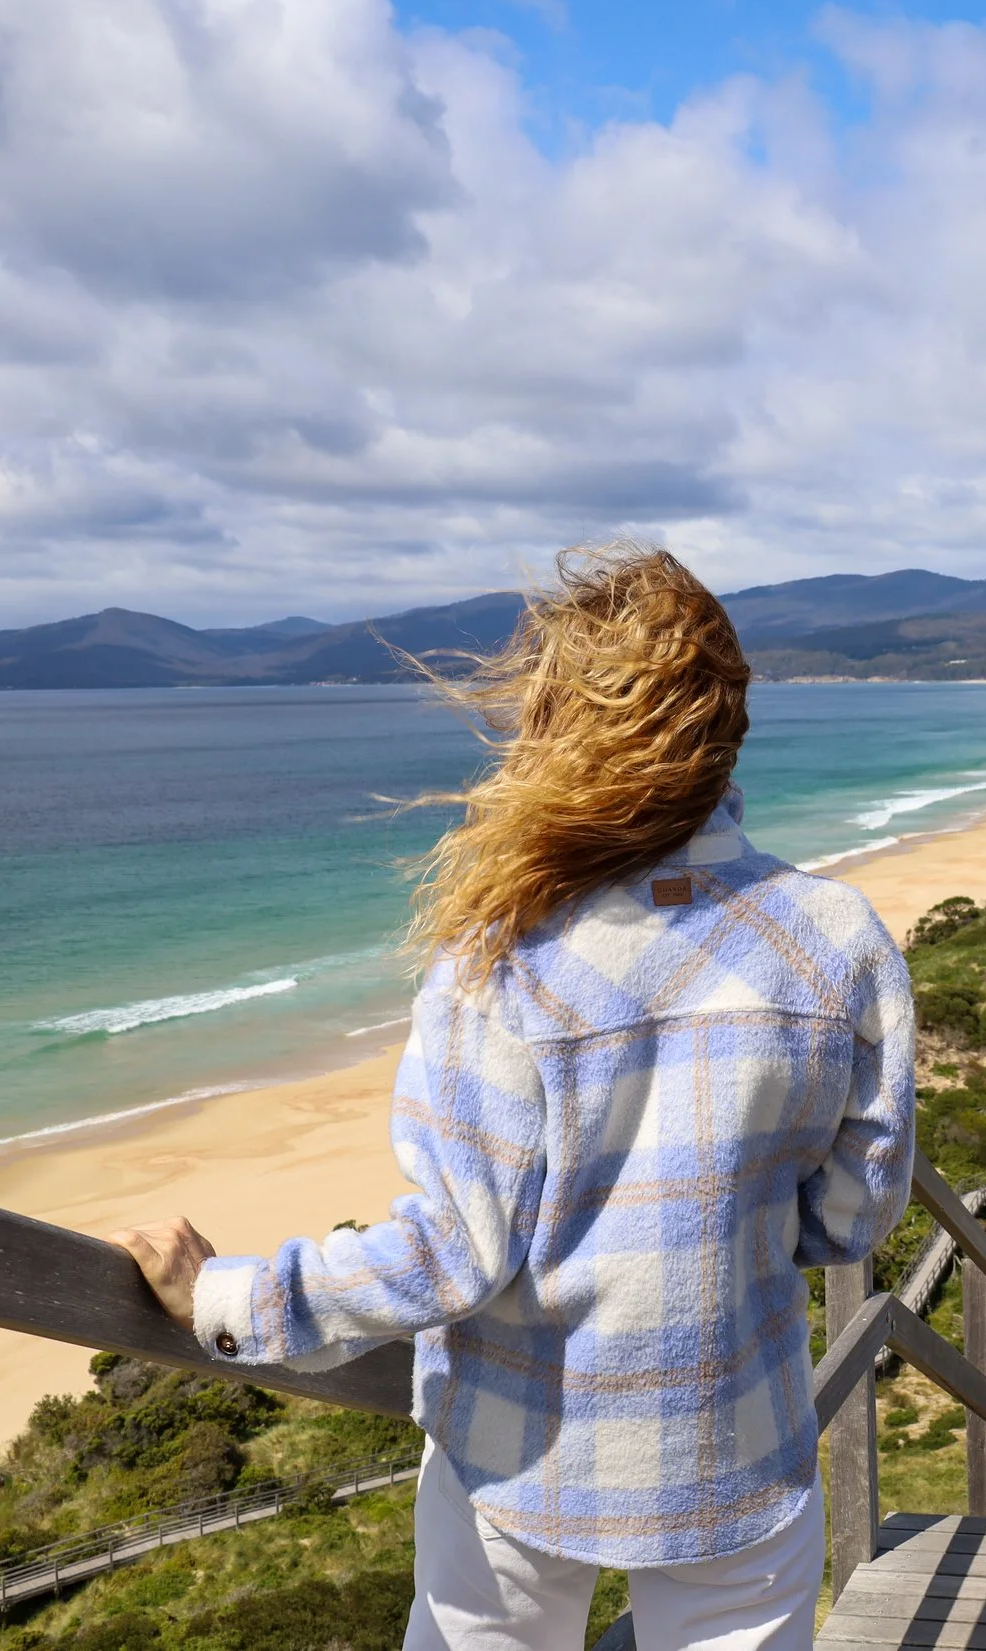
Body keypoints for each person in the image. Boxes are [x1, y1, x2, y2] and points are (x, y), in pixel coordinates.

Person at [110, 547, 915, 1651]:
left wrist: (236, 1296)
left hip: (516, 1449)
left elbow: (451, 1253)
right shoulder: (835, 939)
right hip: (737, 1434)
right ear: (723, 727)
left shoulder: (503, 960)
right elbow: (852, 1216)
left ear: (558, 735)